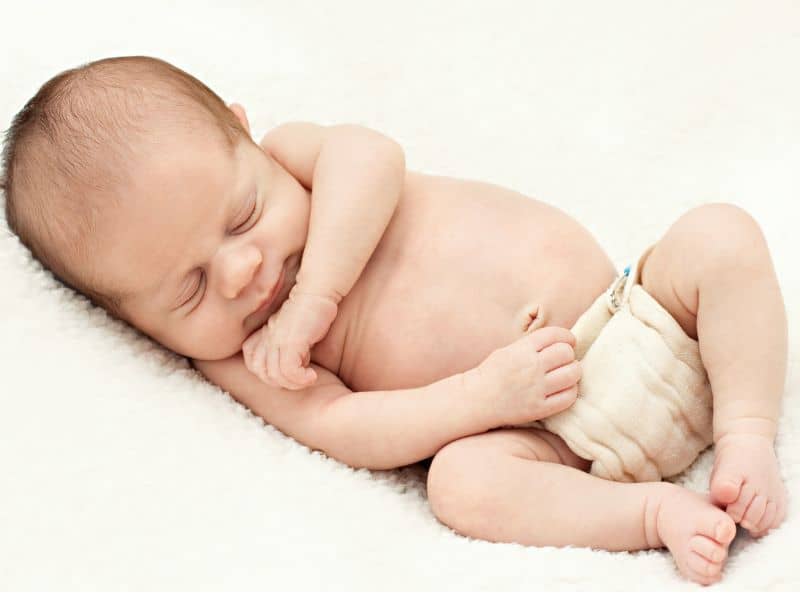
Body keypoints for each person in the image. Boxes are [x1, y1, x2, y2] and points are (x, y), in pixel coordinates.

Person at [1, 56, 788, 586]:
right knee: (460, 487)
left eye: (243, 216)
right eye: (188, 291)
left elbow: (375, 159)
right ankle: (651, 512)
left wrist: (320, 298)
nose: (242, 274)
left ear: (246, 133)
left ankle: (747, 432)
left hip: (638, 313)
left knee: (719, 235)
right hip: (550, 441)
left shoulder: (298, 154)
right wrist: (481, 398)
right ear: (138, 327)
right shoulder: (241, 360)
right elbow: (347, 427)